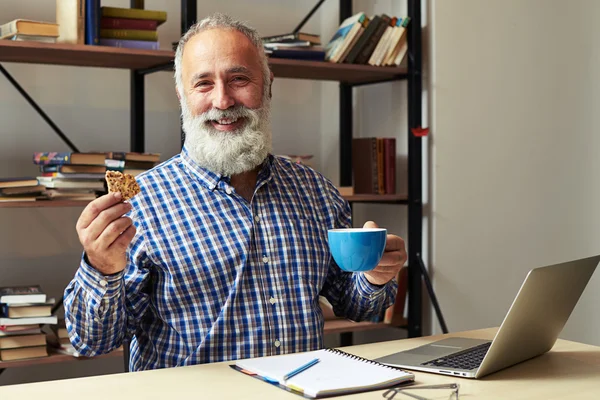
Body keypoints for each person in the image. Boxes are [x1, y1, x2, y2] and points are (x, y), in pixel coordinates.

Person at [64, 13, 407, 372]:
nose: (223, 101)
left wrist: (374, 277)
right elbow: (91, 341)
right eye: (203, 84)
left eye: (239, 79)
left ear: (268, 85)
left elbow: (357, 306)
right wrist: (101, 269)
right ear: (182, 95)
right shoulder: (139, 205)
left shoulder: (316, 192)